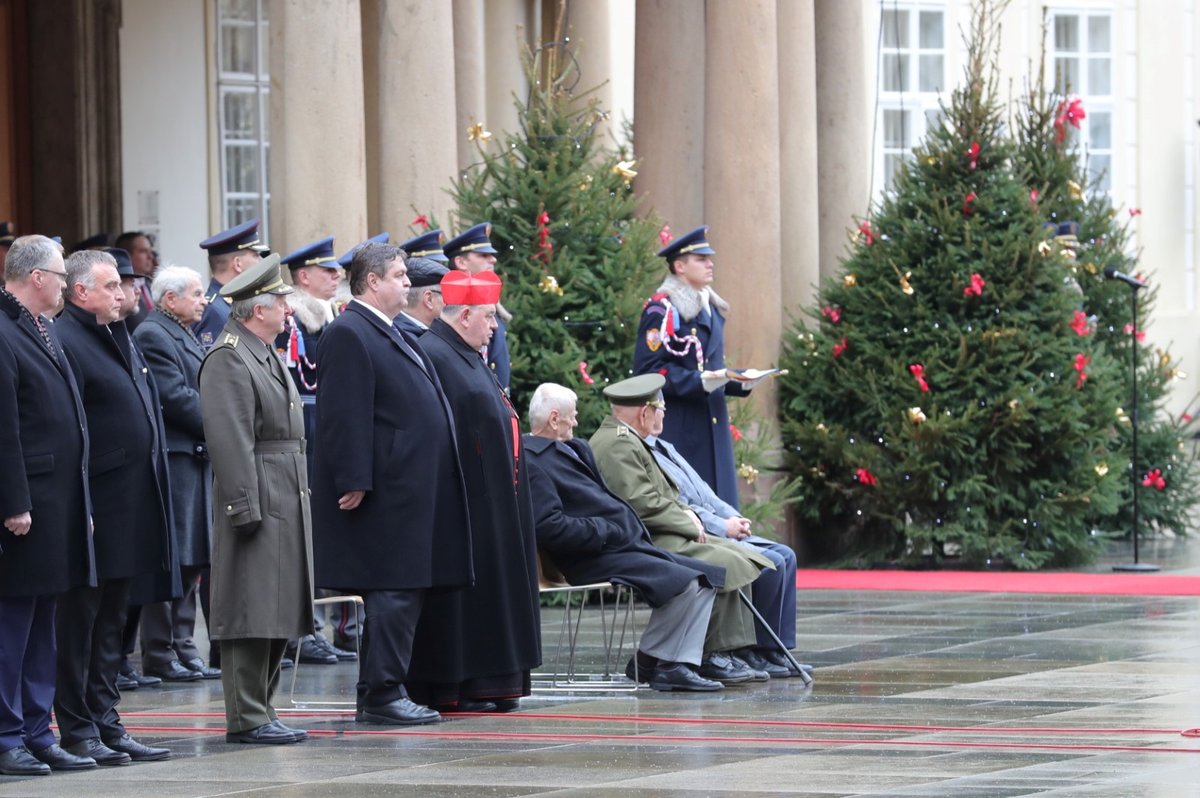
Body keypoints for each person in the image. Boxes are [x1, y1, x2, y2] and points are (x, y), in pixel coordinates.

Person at [312, 241, 473, 724]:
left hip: (409, 487)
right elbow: (343, 413)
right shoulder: (349, 332)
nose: (409, 282)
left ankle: (383, 687)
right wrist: (354, 477)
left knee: (404, 591)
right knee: (393, 592)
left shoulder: (388, 330)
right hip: (384, 489)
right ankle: (382, 694)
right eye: (400, 275)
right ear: (372, 281)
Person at [525, 383, 726, 692]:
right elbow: (551, 526)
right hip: (591, 556)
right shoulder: (534, 461)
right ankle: (668, 665)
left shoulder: (574, 447)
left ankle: (652, 662)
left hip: (619, 544)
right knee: (686, 583)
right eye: (572, 417)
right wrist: (605, 530)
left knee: (705, 578)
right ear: (554, 419)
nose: (576, 423)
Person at [54, 249, 173, 765]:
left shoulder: (116, 332)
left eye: (122, 287)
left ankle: (106, 720)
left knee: (114, 624)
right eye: (110, 288)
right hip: (98, 505)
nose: (122, 295)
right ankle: (77, 727)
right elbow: (70, 429)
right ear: (81, 292)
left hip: (130, 502)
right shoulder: (67, 339)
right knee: (81, 623)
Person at [407, 270, 539, 712]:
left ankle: (495, 680)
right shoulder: (434, 354)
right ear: (464, 315)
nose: (495, 325)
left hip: (494, 499)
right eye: (488, 316)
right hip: (465, 504)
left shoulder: (464, 352)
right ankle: (463, 684)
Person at [589, 373, 775, 684]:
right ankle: (710, 654)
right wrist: (686, 521)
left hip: (660, 531)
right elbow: (640, 501)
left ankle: (723, 651)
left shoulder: (627, 439)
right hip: (646, 538)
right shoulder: (617, 443)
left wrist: (689, 516)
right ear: (644, 412)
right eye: (659, 408)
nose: (662, 414)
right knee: (723, 562)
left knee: (736, 555)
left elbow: (662, 494)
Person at [198, 253, 314, 745]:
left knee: (277, 605)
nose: (288, 310)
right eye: (280, 302)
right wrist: (246, 506)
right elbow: (231, 440)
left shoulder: (260, 350)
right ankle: (246, 715)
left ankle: (263, 708)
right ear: (255, 308)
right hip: (259, 492)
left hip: (284, 489)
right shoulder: (229, 356)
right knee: (251, 605)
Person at [0, 235, 95, 776]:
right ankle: (7, 733)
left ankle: (38, 730)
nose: (64, 286)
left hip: (58, 502)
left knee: (43, 627)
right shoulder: (4, 330)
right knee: (13, 627)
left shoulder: (44, 329)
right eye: (61, 277)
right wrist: (14, 502)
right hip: (26, 506)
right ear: (37, 277)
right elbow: (5, 428)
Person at [649, 434, 805, 678]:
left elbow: (707, 493)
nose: (664, 412)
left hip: (719, 525)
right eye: (660, 407)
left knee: (785, 555)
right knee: (769, 562)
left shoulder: (666, 446)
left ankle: (773, 648)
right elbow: (680, 506)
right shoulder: (646, 453)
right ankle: (748, 649)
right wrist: (723, 525)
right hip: (704, 532)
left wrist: (735, 519)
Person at [132, 266, 222, 683]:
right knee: (175, 557)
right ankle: (161, 650)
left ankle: (185, 646)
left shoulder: (179, 331)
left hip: (195, 456)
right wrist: (225, 418)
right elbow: (174, 397)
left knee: (194, 559)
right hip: (175, 458)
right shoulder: (153, 334)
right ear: (170, 300)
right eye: (196, 294)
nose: (204, 301)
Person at [276, 236, 357, 667]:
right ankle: (303, 630)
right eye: (327, 272)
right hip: (301, 436)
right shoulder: (292, 321)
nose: (337, 277)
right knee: (300, 538)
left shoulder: (330, 316)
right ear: (303, 276)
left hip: (320, 433)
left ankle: (322, 628)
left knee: (320, 535)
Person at [632, 225, 751, 507]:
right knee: (696, 514)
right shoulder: (662, 310)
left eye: (709, 258)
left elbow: (709, 366)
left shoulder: (710, 306)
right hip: (682, 427)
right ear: (680, 266)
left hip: (713, 423)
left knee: (724, 513)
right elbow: (649, 371)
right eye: (701, 259)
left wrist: (738, 380)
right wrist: (699, 382)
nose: (710, 264)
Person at [444, 223, 510, 391]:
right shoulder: (449, 307)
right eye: (483, 255)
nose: (493, 259)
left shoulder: (488, 301)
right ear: (460, 262)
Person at [193, 218, 269, 349]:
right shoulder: (213, 311)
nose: (261, 260)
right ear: (237, 263)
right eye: (255, 255)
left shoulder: (231, 304)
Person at [392, 256, 448, 337]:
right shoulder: (408, 338)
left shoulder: (398, 329)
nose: (452, 304)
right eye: (448, 296)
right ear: (429, 299)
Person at [114, 232, 156, 331]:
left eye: (150, 251)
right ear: (127, 255)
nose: (150, 257)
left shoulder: (152, 286)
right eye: (143, 251)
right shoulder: (118, 291)